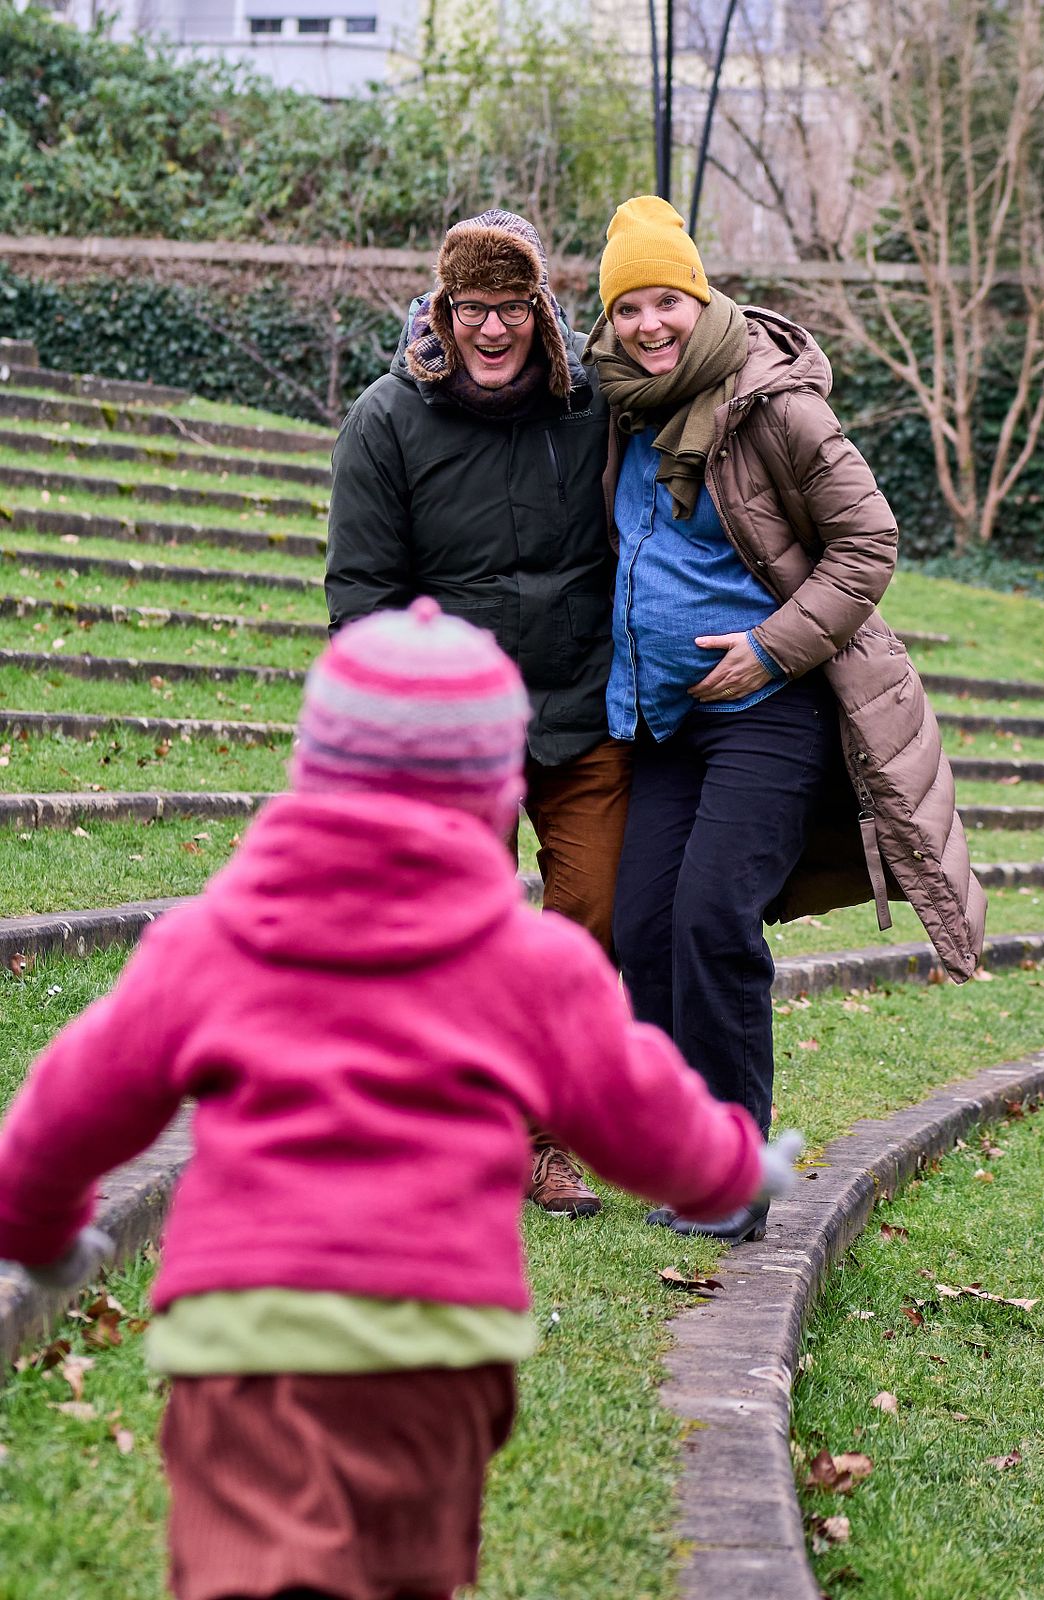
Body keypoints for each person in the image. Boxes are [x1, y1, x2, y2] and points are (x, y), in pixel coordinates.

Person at [0, 602, 801, 1600]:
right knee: (402, 1569)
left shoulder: (211, 942)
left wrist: (37, 1231)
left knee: (247, 1564)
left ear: (310, 767)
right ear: (498, 793)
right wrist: (733, 1164)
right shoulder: (535, 965)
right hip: (439, 1346)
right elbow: (637, 1111)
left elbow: (71, 1106)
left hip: (247, 1333)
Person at [584, 196, 986, 1244]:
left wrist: (769, 646)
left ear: (700, 296)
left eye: (666, 300)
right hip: (664, 718)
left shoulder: (773, 404)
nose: (649, 324)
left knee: (714, 918)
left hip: (771, 709)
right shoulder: (616, 405)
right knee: (643, 926)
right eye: (627, 307)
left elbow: (869, 542)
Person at [325, 209, 628, 1218]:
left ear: (542, 309)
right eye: (471, 308)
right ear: (441, 310)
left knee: (589, 924)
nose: (491, 329)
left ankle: (543, 1137)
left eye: (511, 307)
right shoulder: (386, 419)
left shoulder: (593, 405)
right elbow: (362, 592)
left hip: (580, 712)